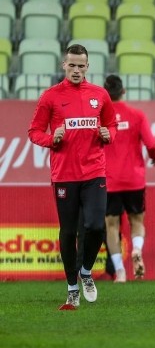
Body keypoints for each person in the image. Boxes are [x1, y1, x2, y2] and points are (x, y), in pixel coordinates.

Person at [27, 44, 117, 310]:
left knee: (96, 226)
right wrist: (51, 139)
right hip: (64, 175)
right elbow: (34, 131)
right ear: (63, 65)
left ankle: (86, 271)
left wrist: (108, 134)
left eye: (81, 66)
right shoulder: (51, 97)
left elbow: (111, 124)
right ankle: (72, 287)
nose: (77, 70)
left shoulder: (100, 95)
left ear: (88, 67)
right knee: (67, 232)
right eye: (72, 65)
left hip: (94, 171)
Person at [102, 75, 155, 283]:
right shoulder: (137, 115)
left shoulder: (99, 117)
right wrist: (153, 158)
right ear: (123, 91)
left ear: (105, 94)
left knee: (112, 226)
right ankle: (136, 249)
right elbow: (151, 144)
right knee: (137, 221)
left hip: (109, 180)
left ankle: (120, 272)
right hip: (134, 179)